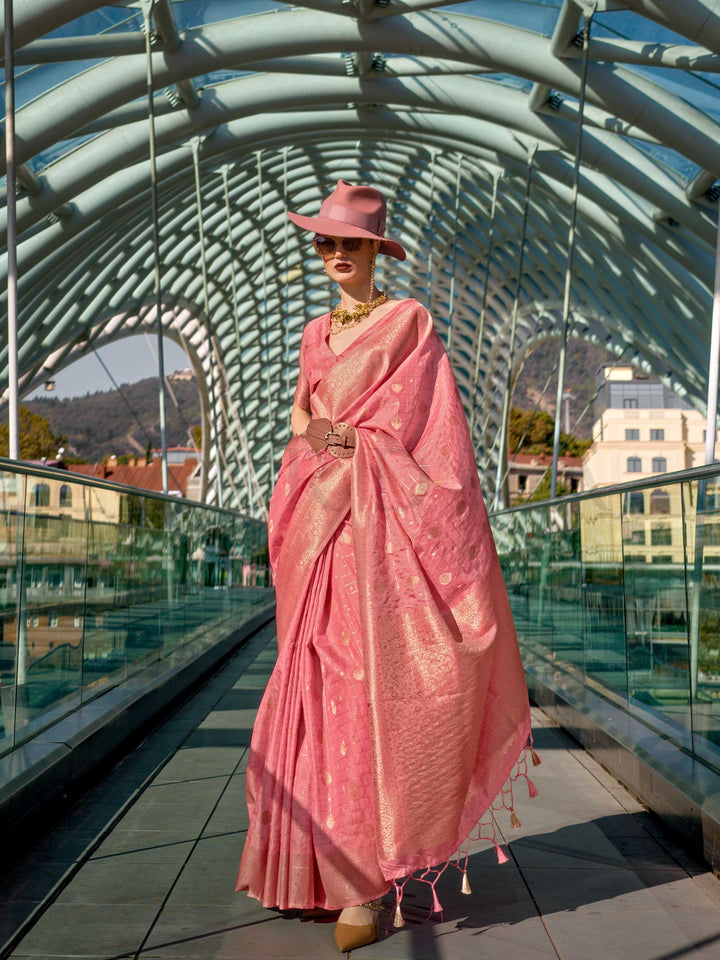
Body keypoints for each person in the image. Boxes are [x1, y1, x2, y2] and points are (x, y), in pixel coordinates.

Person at [236, 179, 537, 953]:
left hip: (382, 538)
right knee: (315, 690)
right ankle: (317, 869)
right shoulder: (313, 333)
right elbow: (303, 416)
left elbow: (432, 439)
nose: (336, 253)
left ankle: (369, 882)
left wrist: (349, 443)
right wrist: (319, 438)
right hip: (318, 528)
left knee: (371, 694)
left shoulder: (410, 325)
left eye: (351, 242)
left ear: (377, 251)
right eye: (326, 241)